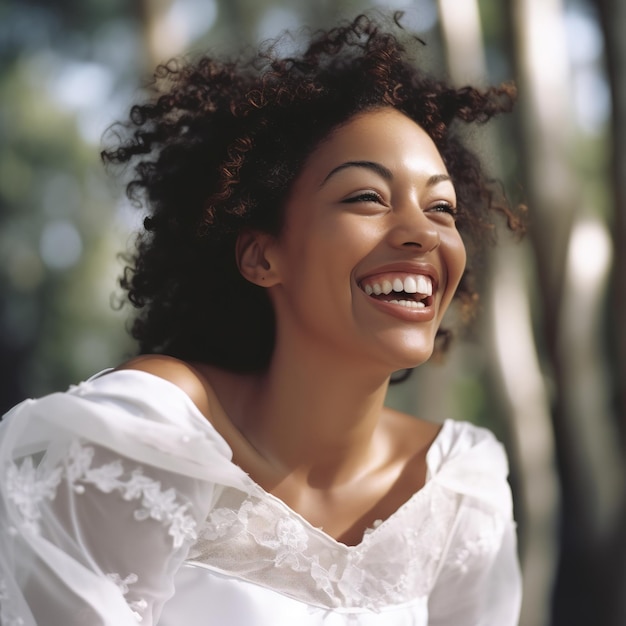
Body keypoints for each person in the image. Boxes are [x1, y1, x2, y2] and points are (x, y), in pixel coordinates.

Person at [0, 13, 524, 626]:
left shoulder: (460, 488)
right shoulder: (144, 438)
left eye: (441, 207)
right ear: (262, 254)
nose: (421, 234)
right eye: (366, 197)